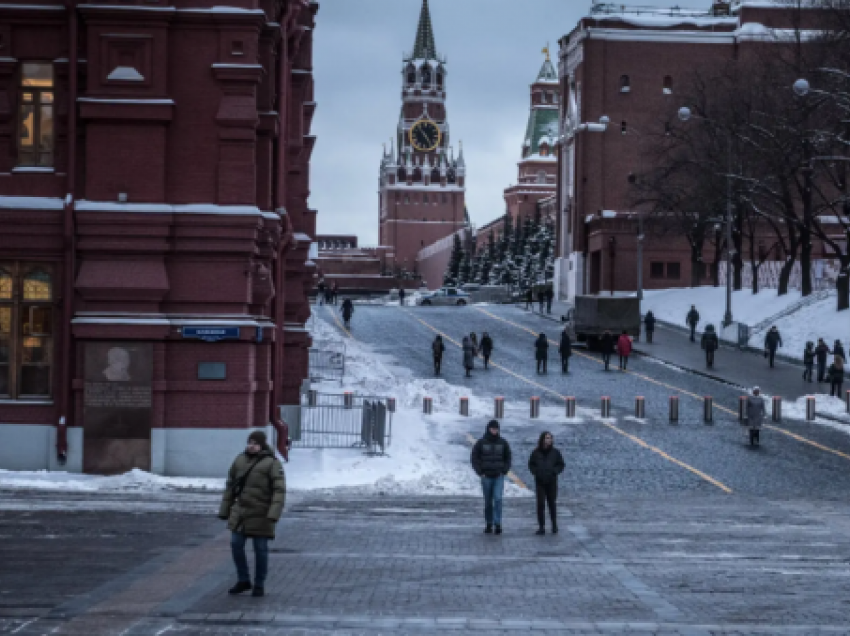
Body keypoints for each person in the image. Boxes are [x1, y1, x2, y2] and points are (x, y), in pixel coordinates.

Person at [219, 430, 286, 598]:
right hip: (241, 512)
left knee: (260, 549)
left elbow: (279, 490)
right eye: (249, 442)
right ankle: (243, 580)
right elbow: (230, 487)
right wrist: (225, 510)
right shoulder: (239, 460)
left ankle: (259, 584)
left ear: (262, 445)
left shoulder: (272, 464)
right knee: (236, 544)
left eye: (255, 443)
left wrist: (273, 513)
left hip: (262, 513)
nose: (251, 446)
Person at [470, 420, 512, 535]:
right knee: (488, 501)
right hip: (486, 476)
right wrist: (480, 472)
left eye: (496, 429)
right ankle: (489, 523)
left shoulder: (503, 443)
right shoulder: (481, 443)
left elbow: (508, 457)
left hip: (499, 476)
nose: (494, 430)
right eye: (492, 428)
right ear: (488, 429)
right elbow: (474, 457)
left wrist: (504, 470)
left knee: (498, 499)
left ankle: (497, 523)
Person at [528, 431, 565, 535]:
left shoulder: (555, 452)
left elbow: (561, 464)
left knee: (551, 503)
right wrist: (535, 472)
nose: (548, 440)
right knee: (540, 504)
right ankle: (541, 526)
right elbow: (531, 464)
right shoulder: (536, 452)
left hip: (552, 481)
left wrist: (555, 471)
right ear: (542, 439)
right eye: (547, 438)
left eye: (550, 438)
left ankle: (554, 525)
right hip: (540, 481)